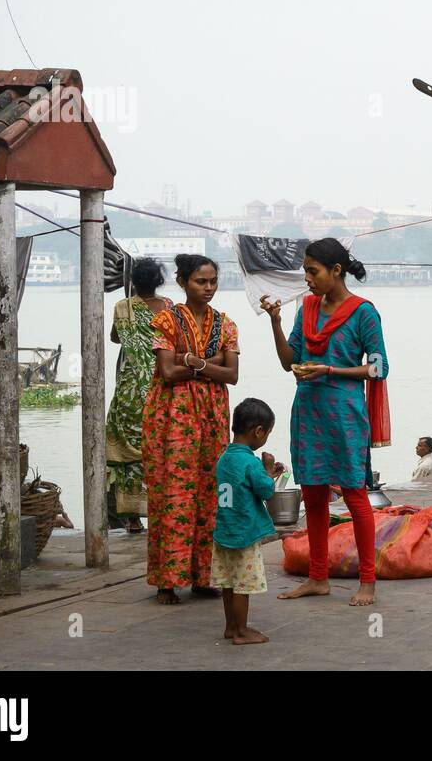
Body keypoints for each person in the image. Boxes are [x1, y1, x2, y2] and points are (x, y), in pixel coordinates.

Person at [260, 238, 389, 607]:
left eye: (312, 272)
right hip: (309, 410)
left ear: (336, 271)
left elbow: (379, 367)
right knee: (313, 496)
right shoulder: (307, 308)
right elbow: (290, 361)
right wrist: (275, 322)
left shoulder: (364, 312)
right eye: (305, 271)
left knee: (354, 495)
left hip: (345, 414)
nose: (307, 279)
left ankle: (368, 581)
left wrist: (330, 369)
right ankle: (318, 577)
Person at [142, 254, 240, 605]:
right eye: (201, 281)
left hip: (212, 416)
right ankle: (166, 582)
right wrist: (209, 364)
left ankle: (203, 576)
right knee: (172, 493)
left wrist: (192, 362)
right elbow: (167, 373)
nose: (209, 288)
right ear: (183, 282)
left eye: (213, 281)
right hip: (173, 416)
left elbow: (233, 375)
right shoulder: (166, 320)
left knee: (209, 494)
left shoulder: (225, 323)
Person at [105, 258, 172, 534]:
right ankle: (163, 512)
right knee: (161, 449)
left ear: (132, 282)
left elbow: (114, 338)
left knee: (129, 454)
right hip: (161, 385)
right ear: (159, 282)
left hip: (130, 390)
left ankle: (133, 518)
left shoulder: (122, 308)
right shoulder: (169, 307)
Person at [214, 398, 284, 645]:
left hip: (224, 530)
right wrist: (266, 469)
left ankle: (231, 626)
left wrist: (266, 474)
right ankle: (242, 631)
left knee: (228, 582)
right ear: (258, 431)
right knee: (242, 584)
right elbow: (265, 491)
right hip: (244, 533)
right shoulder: (250, 461)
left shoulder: (224, 458)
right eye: (267, 433)